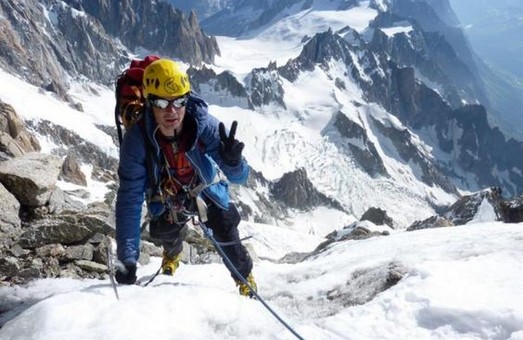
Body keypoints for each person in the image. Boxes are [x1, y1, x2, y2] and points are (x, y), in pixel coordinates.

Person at [114, 58, 256, 297]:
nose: (172, 111)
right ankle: (172, 254)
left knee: (225, 227)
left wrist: (234, 162)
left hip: (203, 190)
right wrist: (127, 259)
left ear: (187, 99)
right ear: (149, 103)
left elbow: (240, 177)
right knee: (162, 232)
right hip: (167, 196)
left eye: (179, 101)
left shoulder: (203, 125)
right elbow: (129, 199)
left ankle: (245, 279)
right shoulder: (137, 141)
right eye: (161, 102)